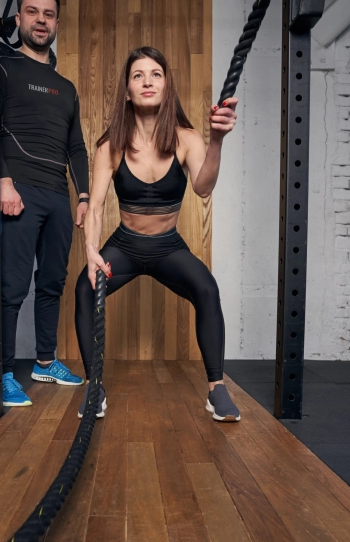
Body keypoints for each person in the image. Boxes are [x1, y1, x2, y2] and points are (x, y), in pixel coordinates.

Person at [75, 46, 241, 421]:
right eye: (138, 75)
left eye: (156, 74)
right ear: (128, 90)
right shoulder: (110, 145)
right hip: (126, 246)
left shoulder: (186, 138)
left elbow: (202, 188)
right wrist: (91, 252)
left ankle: (217, 390)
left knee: (207, 288)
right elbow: (97, 206)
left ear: (166, 85)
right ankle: (94, 385)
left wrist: (217, 141)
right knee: (84, 289)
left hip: (167, 247)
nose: (147, 81)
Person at [0, 0, 89, 407]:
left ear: (55, 23)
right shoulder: (1, 66)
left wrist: (85, 195)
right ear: (18, 20)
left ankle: (44, 361)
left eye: (48, 14)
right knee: (13, 286)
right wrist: (2, 182)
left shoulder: (66, 87)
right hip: (19, 189)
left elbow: (76, 147)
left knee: (52, 281)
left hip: (57, 195)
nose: (40, 20)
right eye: (32, 12)